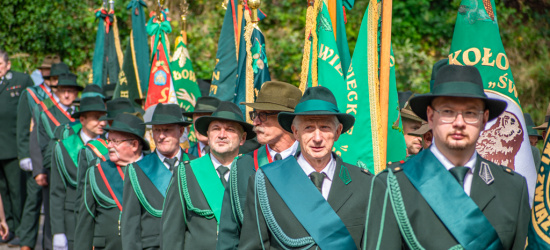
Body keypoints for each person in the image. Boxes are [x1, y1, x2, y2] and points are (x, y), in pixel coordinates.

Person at [364, 65, 530, 249]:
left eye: (470, 113)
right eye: (448, 112)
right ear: (430, 116)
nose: (459, 123)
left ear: (484, 120)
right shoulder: (393, 185)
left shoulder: (513, 187)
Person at [238, 86, 373, 249]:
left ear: (337, 132)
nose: (317, 138)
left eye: (325, 127)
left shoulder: (365, 184)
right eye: (308, 128)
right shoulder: (266, 182)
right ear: (295, 132)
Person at [216, 81, 302, 250]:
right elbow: (229, 234)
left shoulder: (312, 163)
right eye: (255, 114)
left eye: (263, 115)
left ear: (286, 119)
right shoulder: (242, 166)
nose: (255, 122)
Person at [161, 101, 254, 249]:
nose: (222, 135)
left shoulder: (253, 173)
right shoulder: (186, 173)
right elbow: (172, 233)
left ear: (242, 139)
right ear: (208, 135)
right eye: (216, 129)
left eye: (230, 129)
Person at [120, 103, 194, 250]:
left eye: (166, 130)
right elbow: (130, 225)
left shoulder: (196, 165)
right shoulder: (137, 170)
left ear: (181, 131)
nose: (160, 136)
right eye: (156, 130)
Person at [75, 113, 148, 250]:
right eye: (109, 140)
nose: (109, 146)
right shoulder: (97, 172)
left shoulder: (154, 169)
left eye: (115, 141)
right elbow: (85, 220)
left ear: (134, 144)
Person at [50, 96, 107, 250]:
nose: (102, 122)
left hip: (102, 222)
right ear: (82, 119)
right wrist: (58, 231)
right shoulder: (63, 147)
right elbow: (57, 191)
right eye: (96, 118)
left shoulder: (110, 146)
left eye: (104, 117)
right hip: (72, 220)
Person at [0, 49, 34, 246]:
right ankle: (9, 228)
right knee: (3, 190)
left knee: (17, 190)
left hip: (13, 146)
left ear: (8, 64)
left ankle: (23, 229)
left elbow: (32, 106)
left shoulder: (21, 80)